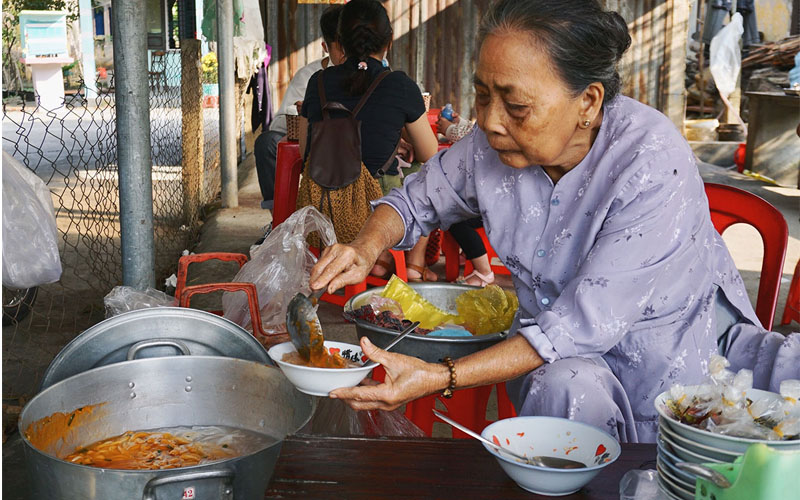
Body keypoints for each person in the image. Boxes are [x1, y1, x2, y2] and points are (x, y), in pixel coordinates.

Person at [308, 0, 800, 443]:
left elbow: (578, 325)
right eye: (482, 96)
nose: (492, 121)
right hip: (559, 366)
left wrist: (441, 376)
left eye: (516, 106)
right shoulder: (491, 144)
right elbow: (414, 200)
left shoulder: (651, 161)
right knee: (566, 388)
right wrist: (365, 247)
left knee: (582, 393)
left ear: (588, 102)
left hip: (666, 363)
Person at [297, 0, 439, 282]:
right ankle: (403, 260)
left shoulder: (318, 82)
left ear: (340, 42)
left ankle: (380, 258)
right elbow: (430, 154)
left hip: (319, 209)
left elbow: (305, 152)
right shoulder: (399, 85)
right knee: (429, 176)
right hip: (374, 207)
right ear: (388, 41)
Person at [253, 5, 345, 210]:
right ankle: (280, 220)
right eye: (340, 47)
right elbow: (279, 124)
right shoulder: (310, 76)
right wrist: (306, 111)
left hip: (355, 148)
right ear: (325, 47)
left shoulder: (373, 72)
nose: (347, 54)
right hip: (312, 147)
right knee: (267, 143)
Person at [436, 109, 493, 286]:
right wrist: (459, 123)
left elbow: (477, 140)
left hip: (495, 204)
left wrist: (449, 130)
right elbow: (475, 130)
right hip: (495, 200)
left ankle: (484, 272)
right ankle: (467, 254)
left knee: (453, 216)